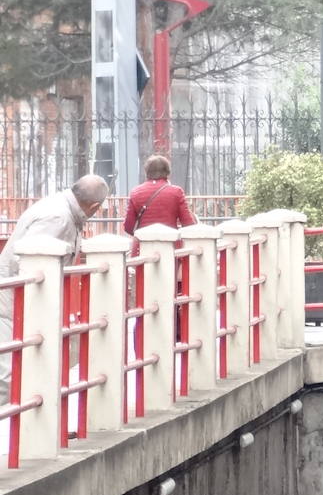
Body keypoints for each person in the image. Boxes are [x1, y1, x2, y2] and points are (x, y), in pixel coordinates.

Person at [0, 174, 110, 398]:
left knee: (24, 368)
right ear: (95, 206)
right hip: (14, 301)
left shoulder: (61, 209)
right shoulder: (58, 218)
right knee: (9, 375)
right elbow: (32, 259)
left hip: (21, 300)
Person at [122, 155, 196, 239]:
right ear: (167, 172)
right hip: (171, 246)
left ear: (146, 172)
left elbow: (128, 227)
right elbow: (189, 225)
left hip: (143, 247)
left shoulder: (135, 192)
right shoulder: (177, 192)